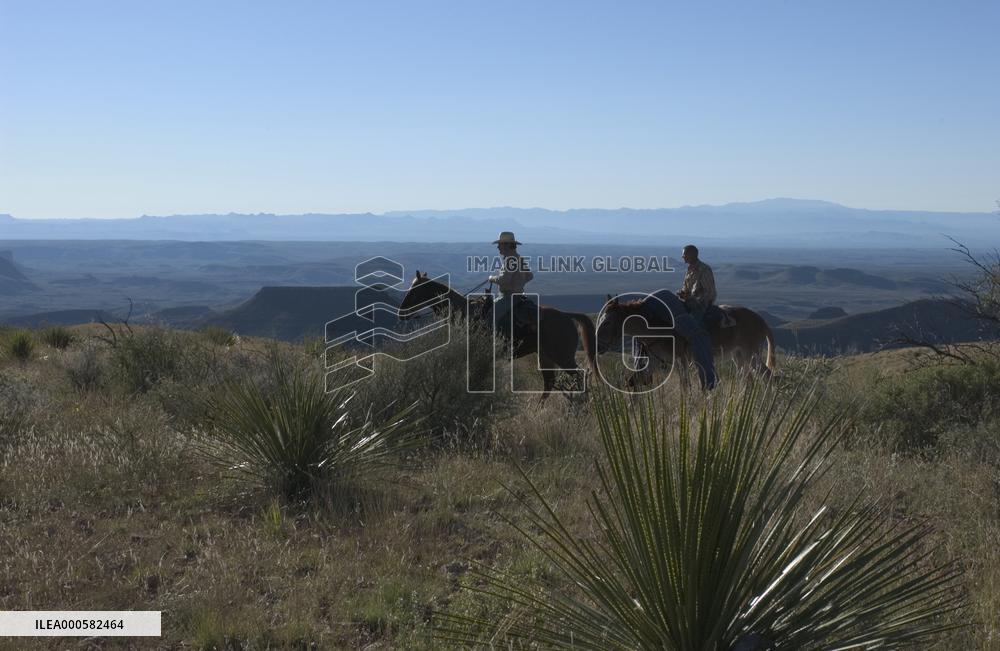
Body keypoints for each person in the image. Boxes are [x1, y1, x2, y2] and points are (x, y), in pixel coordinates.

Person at [488, 231, 535, 337]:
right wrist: (519, 283)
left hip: (509, 297)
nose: (498, 247)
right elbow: (530, 276)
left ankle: (492, 340)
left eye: (500, 244)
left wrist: (491, 278)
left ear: (506, 245)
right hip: (519, 296)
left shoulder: (510, 260)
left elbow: (504, 280)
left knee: (490, 316)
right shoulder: (518, 258)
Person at [677, 244, 717, 324]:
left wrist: (692, 299)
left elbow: (708, 292)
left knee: (692, 322)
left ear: (691, 255)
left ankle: (699, 332)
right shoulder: (689, 270)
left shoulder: (704, 269)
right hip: (689, 302)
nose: (682, 256)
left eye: (684, 254)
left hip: (701, 305)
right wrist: (683, 294)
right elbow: (686, 288)